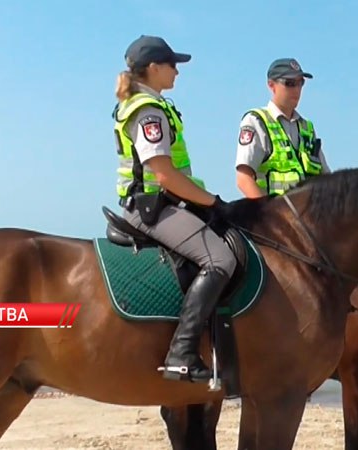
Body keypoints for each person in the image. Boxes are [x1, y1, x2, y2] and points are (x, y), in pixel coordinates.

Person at [112, 35, 236, 383]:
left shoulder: (156, 104)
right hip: (151, 207)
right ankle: (181, 354)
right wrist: (212, 201)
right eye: (172, 65)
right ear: (153, 68)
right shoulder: (147, 111)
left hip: (168, 202)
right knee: (220, 259)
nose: (177, 72)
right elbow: (164, 175)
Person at [235, 57, 331, 199]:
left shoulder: (307, 128)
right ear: (271, 85)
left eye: (301, 83)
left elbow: (327, 181)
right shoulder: (257, 121)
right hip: (271, 217)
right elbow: (243, 179)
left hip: (309, 218)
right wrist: (269, 217)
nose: (297, 89)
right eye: (290, 83)